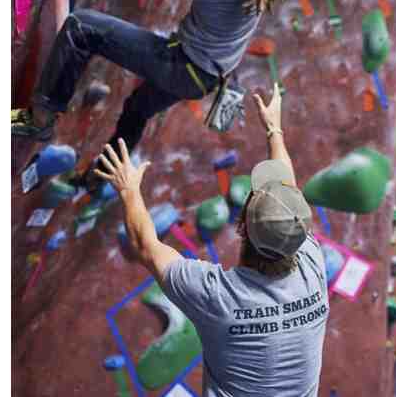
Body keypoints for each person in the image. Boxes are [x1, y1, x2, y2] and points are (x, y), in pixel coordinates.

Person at [12, 0, 289, 193]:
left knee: (81, 27)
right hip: (208, 74)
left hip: (183, 66)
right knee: (136, 110)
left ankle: (41, 118)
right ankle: (100, 176)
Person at [94, 83, 329, 397]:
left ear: (241, 227)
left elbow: (144, 246)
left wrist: (128, 189)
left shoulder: (220, 297)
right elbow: (286, 190)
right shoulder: (312, 267)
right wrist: (274, 129)